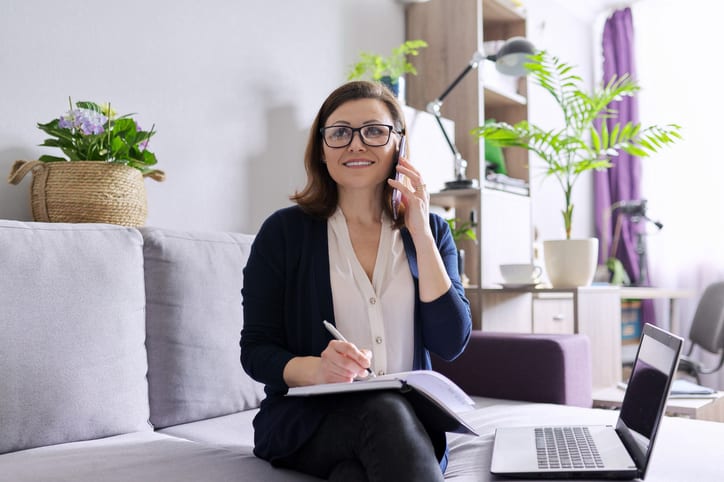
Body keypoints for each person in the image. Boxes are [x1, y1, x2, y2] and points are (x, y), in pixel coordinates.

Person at [240, 80, 472, 481]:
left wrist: (419, 230)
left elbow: (451, 341)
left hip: (410, 429)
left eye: (374, 131)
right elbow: (256, 350)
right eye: (340, 132)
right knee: (383, 412)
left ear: (398, 145)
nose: (356, 144)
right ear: (322, 149)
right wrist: (317, 369)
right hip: (308, 422)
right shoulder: (283, 233)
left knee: (354, 473)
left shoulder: (431, 232)